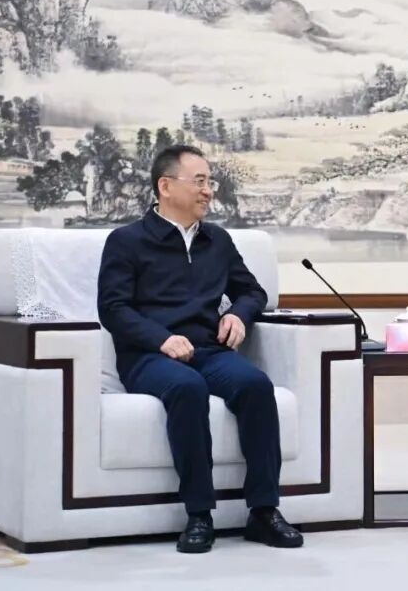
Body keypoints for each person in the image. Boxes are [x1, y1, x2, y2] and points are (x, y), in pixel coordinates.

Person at [97, 144, 302, 553]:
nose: (209, 191)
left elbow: (252, 291)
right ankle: (199, 514)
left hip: (208, 349)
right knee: (186, 388)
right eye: (200, 181)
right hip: (148, 356)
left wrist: (239, 315)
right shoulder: (126, 241)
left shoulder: (217, 240)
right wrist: (161, 339)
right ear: (165, 186)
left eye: (211, 182)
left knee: (256, 385)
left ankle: (264, 511)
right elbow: (113, 309)